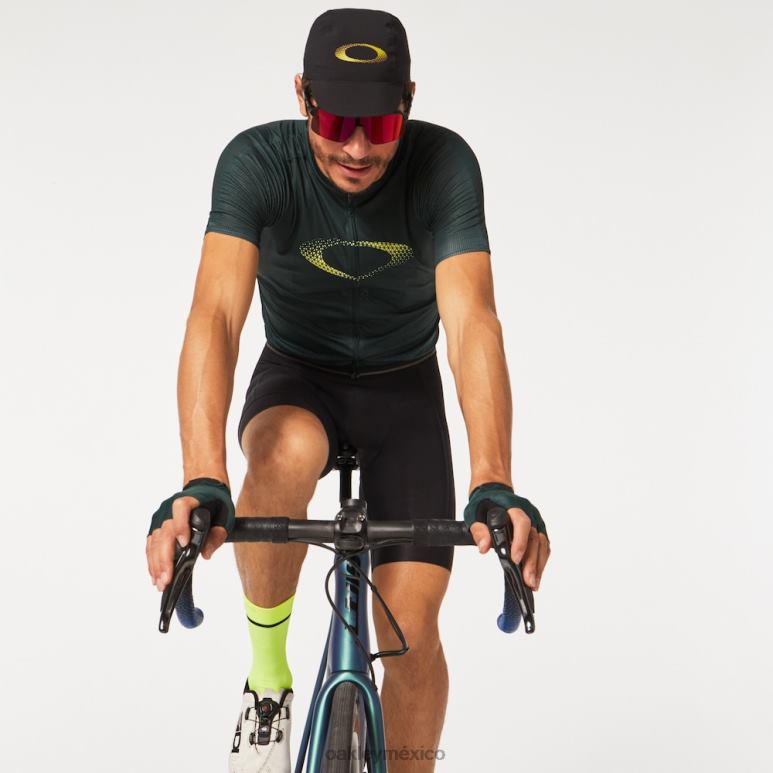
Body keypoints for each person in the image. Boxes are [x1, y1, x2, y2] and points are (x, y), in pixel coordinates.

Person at [145, 8, 550, 773]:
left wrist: (493, 478)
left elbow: (471, 322)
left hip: (404, 394)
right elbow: (216, 316)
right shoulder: (257, 162)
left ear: (408, 103)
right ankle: (268, 685)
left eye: (380, 125)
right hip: (298, 376)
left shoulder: (444, 165)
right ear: (302, 95)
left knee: (412, 635)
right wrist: (202, 477)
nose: (357, 148)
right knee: (285, 451)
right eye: (334, 121)